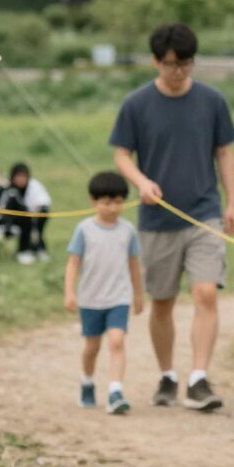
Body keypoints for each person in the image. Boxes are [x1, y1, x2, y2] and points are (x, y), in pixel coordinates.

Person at [109, 23, 234, 413]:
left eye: (185, 64)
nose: (178, 71)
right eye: (170, 64)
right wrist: (141, 182)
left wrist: (231, 202)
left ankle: (199, 378)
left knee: (205, 292)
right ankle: (167, 374)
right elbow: (120, 155)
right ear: (155, 61)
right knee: (162, 302)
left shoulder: (212, 101)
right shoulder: (136, 104)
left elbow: (225, 153)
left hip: (204, 214)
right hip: (156, 218)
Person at [64, 172, 145, 415]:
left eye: (118, 201)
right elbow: (73, 263)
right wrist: (69, 292)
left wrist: (138, 295)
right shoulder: (84, 229)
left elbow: (133, 264)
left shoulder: (128, 231)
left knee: (117, 341)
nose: (113, 207)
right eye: (107, 201)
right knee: (92, 346)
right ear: (93, 201)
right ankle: (87, 382)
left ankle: (115, 392)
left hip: (118, 298)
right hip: (91, 298)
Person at [0, 162, 52, 262]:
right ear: (13, 177)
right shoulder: (7, 190)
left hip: (29, 218)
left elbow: (43, 202)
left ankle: (38, 247)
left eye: (24, 176)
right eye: (18, 176)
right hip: (6, 221)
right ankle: (23, 251)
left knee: (41, 215)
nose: (21, 179)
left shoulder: (33, 187)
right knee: (27, 219)